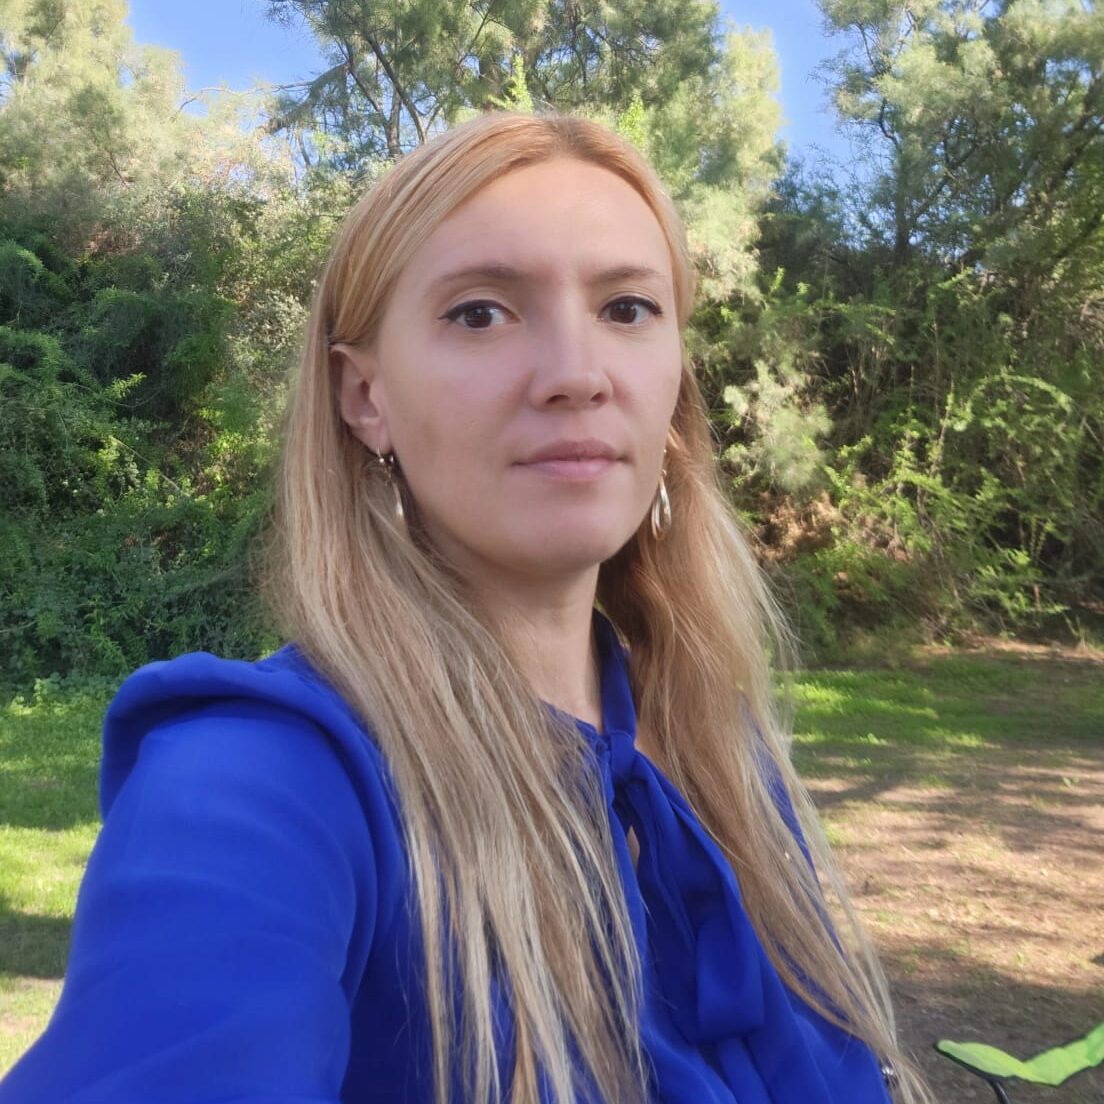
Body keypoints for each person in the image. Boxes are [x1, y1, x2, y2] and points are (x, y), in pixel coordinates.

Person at [0, 112, 926, 1104]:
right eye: (481, 313)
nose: (578, 375)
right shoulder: (263, 782)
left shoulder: (719, 748)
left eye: (627, 308)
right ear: (366, 397)